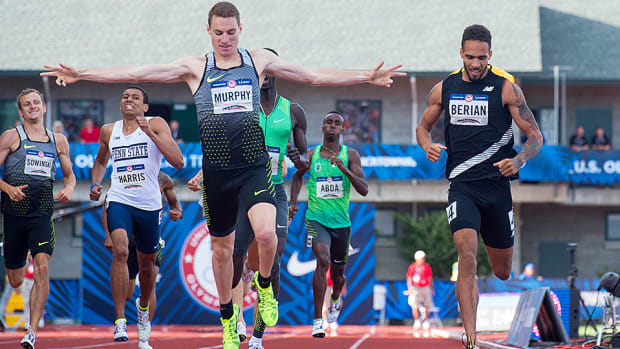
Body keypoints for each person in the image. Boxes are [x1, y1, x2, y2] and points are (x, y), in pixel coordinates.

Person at [42, 2, 402, 347]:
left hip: (254, 168)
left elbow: (312, 76)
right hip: (217, 173)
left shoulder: (257, 61)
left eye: (231, 32)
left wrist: (365, 77)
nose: (225, 39)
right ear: (209, 32)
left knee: (266, 233)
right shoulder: (195, 68)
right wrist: (81, 74)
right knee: (222, 251)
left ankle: (264, 288)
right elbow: (138, 72)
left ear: (241, 30)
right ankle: (229, 318)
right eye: (219, 33)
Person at [415, 24, 543, 349]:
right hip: (462, 187)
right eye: (470, 57)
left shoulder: (506, 89)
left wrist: (519, 161)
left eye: (481, 58)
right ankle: (471, 338)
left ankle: (474, 326)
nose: (475, 64)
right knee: (467, 257)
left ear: (490, 55)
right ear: (460, 53)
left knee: (502, 271)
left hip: (497, 188)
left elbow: (535, 136)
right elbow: (422, 127)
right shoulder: (443, 89)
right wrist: (426, 144)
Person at [89, 87, 183, 349]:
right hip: (120, 199)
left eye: (135, 97)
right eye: (124, 96)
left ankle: (143, 310)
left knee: (146, 267)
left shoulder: (156, 124)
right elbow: (100, 160)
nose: (128, 100)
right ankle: (119, 320)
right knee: (120, 250)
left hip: (149, 206)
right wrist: (97, 183)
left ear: (145, 107)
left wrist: (149, 132)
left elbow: (178, 162)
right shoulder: (109, 130)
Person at [230, 47, 309, 349]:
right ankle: (234, 319)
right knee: (237, 258)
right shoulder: (241, 108)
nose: (263, 74)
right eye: (257, 69)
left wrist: (297, 157)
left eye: (268, 68)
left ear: (277, 71)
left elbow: (304, 161)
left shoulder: (293, 111)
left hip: (275, 191)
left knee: (272, 260)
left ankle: (258, 336)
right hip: (243, 190)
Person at [0, 88, 76, 349]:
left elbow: (70, 176)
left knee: (43, 267)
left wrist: (68, 189)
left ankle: (31, 330)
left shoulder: (58, 141)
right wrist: (8, 188)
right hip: (13, 216)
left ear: (44, 108)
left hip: (42, 214)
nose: (32, 107)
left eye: (36, 103)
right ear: (20, 111)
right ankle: (18, 263)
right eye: (27, 104)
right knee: (16, 279)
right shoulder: (11, 138)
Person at [289, 111, 368, 338]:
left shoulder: (350, 155)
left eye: (338, 124)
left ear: (343, 130)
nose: (333, 126)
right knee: (322, 261)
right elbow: (297, 176)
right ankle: (317, 320)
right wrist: (294, 203)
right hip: (315, 220)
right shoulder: (311, 155)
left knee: (338, 275)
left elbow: (364, 189)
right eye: (329, 123)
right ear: (323, 127)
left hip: (341, 223)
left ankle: (335, 299)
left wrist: (344, 170)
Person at [102, 171, 183, 332]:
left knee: (150, 281)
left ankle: (145, 330)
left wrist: (177, 213)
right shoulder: (127, 173)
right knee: (128, 294)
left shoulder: (165, 180)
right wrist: (108, 235)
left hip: (151, 237)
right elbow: (109, 205)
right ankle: (122, 318)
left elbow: (175, 204)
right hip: (128, 237)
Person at [404, 250, 434, 330]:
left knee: (427, 304)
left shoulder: (427, 267)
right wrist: (410, 288)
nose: (423, 260)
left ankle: (425, 321)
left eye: (424, 258)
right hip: (415, 287)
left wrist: (432, 288)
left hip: (425, 287)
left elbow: (429, 278)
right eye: (422, 258)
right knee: (415, 305)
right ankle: (417, 321)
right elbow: (409, 278)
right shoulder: (412, 267)